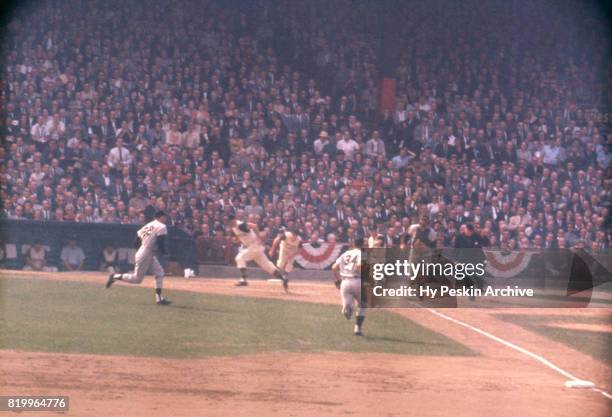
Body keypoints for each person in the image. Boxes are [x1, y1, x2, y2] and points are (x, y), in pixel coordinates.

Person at [105, 210, 171, 305]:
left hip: (144, 251)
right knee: (137, 279)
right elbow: (161, 242)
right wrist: (165, 253)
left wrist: (142, 250)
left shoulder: (148, 225)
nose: (165, 218)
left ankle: (159, 299)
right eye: (164, 216)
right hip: (146, 252)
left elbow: (136, 242)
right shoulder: (161, 226)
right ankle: (114, 276)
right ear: (160, 217)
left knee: (159, 273)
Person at [228, 214, 288, 290]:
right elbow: (242, 237)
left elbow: (254, 226)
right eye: (228, 222)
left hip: (255, 245)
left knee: (239, 258)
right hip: (253, 247)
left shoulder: (241, 224)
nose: (229, 223)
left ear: (234, 220)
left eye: (230, 221)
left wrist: (259, 238)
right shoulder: (234, 228)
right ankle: (283, 279)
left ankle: (244, 280)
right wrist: (236, 241)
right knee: (268, 266)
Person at [331, 237, 366, 336]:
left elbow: (334, 267)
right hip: (358, 281)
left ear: (353, 244)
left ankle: (347, 308)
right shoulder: (362, 253)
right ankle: (357, 328)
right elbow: (359, 266)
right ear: (363, 244)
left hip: (345, 282)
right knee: (363, 304)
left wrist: (338, 279)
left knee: (348, 305)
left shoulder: (346, 253)